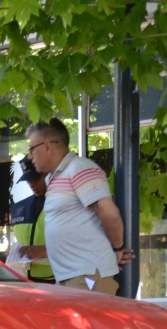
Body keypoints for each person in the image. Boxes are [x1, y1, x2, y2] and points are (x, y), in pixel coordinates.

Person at [25, 118, 133, 295]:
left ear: (47, 147)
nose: (30, 156)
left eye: (32, 149)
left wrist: (117, 248)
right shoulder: (55, 177)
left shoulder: (80, 168)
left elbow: (109, 213)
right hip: (73, 277)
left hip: (87, 276)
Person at [9, 156, 54, 283]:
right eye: (28, 180)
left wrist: (45, 250)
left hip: (60, 279)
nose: (32, 183)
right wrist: (15, 255)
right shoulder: (19, 208)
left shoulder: (66, 204)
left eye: (36, 178)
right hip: (27, 280)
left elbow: (80, 242)